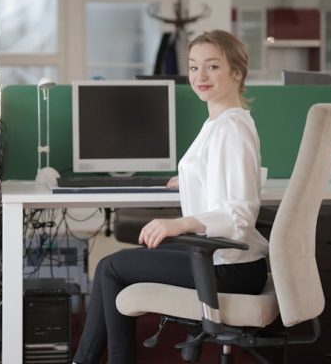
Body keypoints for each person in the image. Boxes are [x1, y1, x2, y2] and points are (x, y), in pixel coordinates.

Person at [72, 30, 268, 364]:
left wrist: (178, 223)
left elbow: (239, 213)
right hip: (224, 258)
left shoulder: (231, 129)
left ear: (236, 72)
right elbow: (228, 175)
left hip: (231, 267)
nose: (199, 77)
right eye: (193, 67)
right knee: (109, 267)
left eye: (212, 67)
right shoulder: (220, 122)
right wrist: (192, 177)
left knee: (110, 270)